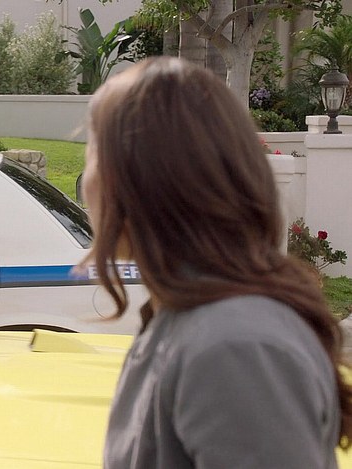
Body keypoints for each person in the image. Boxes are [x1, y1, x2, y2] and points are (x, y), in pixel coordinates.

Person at [83, 57, 352, 468]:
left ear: (144, 178)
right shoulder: (190, 317)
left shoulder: (232, 345)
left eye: (92, 150)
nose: (85, 181)